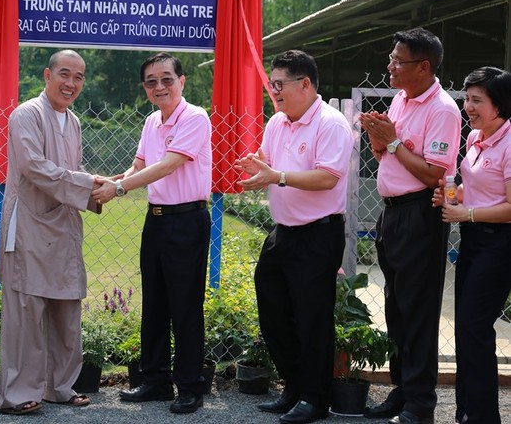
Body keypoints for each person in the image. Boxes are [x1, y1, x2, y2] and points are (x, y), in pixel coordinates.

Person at [234, 50, 352, 424]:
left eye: (279, 84)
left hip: (318, 235)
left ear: (305, 84)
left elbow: (327, 177)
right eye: (272, 84)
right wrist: (257, 165)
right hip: (283, 232)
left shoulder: (331, 125)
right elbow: (268, 160)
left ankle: (315, 398)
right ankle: (294, 386)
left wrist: (277, 176)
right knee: (273, 312)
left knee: (312, 318)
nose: (275, 91)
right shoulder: (278, 122)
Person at [92, 52, 212, 414]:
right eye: (151, 81)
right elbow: (140, 165)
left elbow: (168, 165)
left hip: (187, 221)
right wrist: (111, 180)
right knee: (155, 303)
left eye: (166, 79)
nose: (159, 87)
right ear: (144, 87)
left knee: (185, 306)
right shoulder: (151, 122)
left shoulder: (194, 117)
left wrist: (120, 189)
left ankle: (190, 386)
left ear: (182, 82)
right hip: (156, 221)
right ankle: (155, 380)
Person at [359, 28, 461, 424]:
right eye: (391, 57)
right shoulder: (401, 99)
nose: (391, 66)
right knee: (397, 308)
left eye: (399, 61)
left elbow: (436, 175)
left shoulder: (443, 111)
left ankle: (421, 404)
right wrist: (379, 139)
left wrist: (395, 142)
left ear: (424, 66)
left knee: (417, 312)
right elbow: (390, 153)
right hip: (393, 213)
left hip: (421, 213)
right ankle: (402, 393)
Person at [0, 49, 101, 415]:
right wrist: (88, 185)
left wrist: (94, 185)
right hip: (30, 224)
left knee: (66, 307)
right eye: (65, 74)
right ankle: (18, 393)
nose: (71, 84)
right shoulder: (26, 114)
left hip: (63, 223)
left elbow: (71, 167)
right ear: (47, 75)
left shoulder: (73, 122)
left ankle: (60, 386)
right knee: (26, 310)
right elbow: (34, 167)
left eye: (79, 77)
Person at [431, 67, 511, 424]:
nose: (468, 107)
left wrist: (469, 213)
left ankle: (480, 417)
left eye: (478, 100)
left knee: (473, 325)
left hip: (500, 242)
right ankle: (468, 412)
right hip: (476, 239)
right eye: (467, 98)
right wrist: (455, 195)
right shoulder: (475, 138)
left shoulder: (509, 142)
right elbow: (479, 187)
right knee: (466, 326)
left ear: (501, 104)